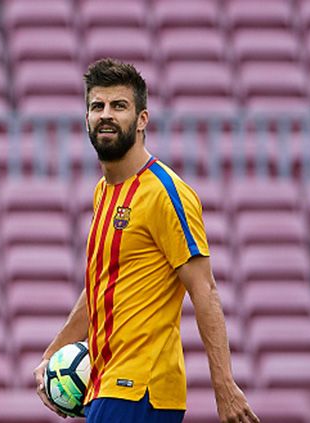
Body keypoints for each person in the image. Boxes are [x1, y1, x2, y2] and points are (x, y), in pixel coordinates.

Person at [33, 58, 259, 423]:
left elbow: (205, 290)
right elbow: (101, 289)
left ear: (142, 120)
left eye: (119, 106)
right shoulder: (103, 193)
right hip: (108, 385)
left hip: (141, 389)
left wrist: (224, 387)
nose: (106, 115)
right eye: (97, 106)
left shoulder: (166, 193)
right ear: (87, 118)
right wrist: (52, 353)